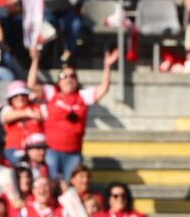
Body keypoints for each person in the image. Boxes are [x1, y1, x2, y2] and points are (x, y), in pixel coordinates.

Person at [27, 45, 120, 181]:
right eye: (64, 76)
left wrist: (107, 66)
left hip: (74, 153)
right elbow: (31, 84)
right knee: (52, 184)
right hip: (52, 150)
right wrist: (35, 61)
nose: (69, 78)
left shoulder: (82, 96)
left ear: (77, 80)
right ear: (59, 81)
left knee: (71, 187)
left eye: (72, 76)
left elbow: (103, 88)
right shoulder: (52, 93)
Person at [0, 80, 43, 165]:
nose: (20, 98)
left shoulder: (38, 107)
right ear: (10, 99)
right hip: (15, 148)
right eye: (16, 96)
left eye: (23, 95)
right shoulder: (8, 109)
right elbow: (6, 117)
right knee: (22, 163)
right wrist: (25, 113)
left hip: (38, 149)